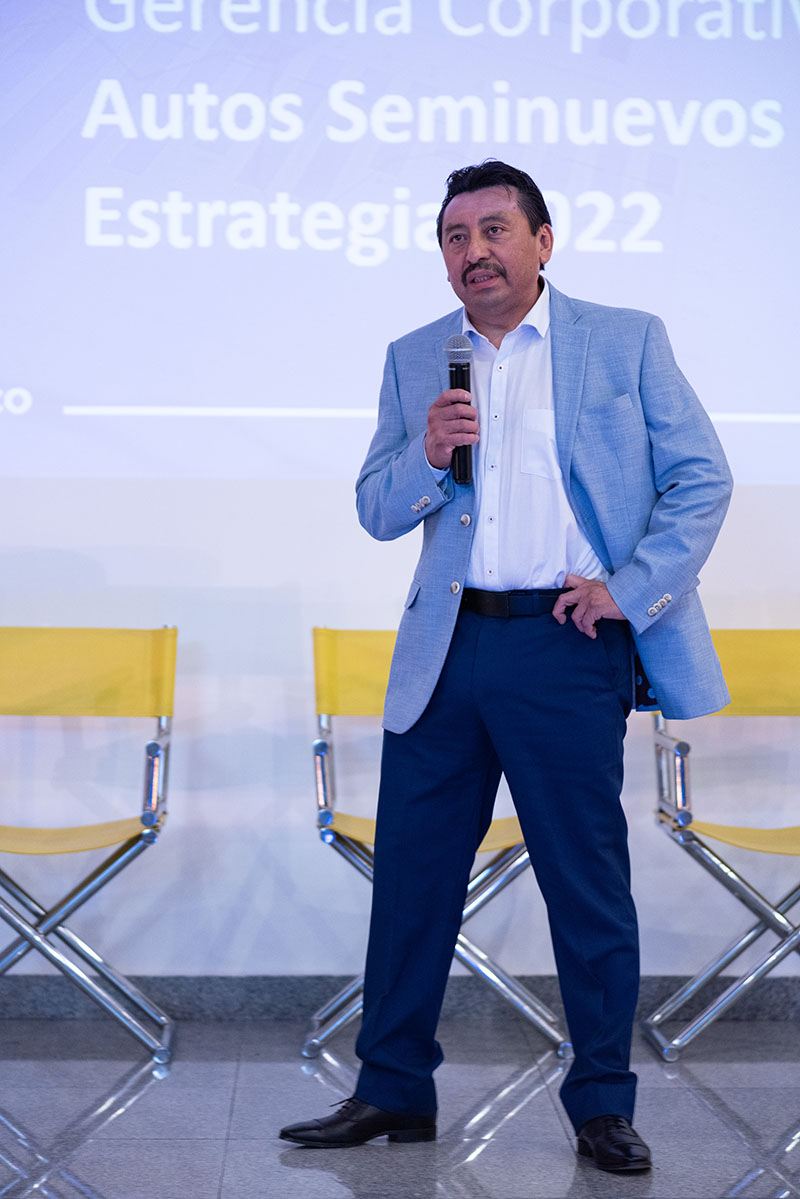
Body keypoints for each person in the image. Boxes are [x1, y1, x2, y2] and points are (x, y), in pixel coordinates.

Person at [280, 160, 732, 1172]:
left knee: (585, 880)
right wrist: (426, 456)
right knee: (412, 878)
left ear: (542, 240)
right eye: (453, 235)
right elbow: (376, 507)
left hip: (564, 644)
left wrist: (628, 588)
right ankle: (392, 1088)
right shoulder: (415, 357)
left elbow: (701, 478)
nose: (472, 250)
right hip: (446, 647)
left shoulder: (623, 339)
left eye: (493, 229)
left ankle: (601, 1103)